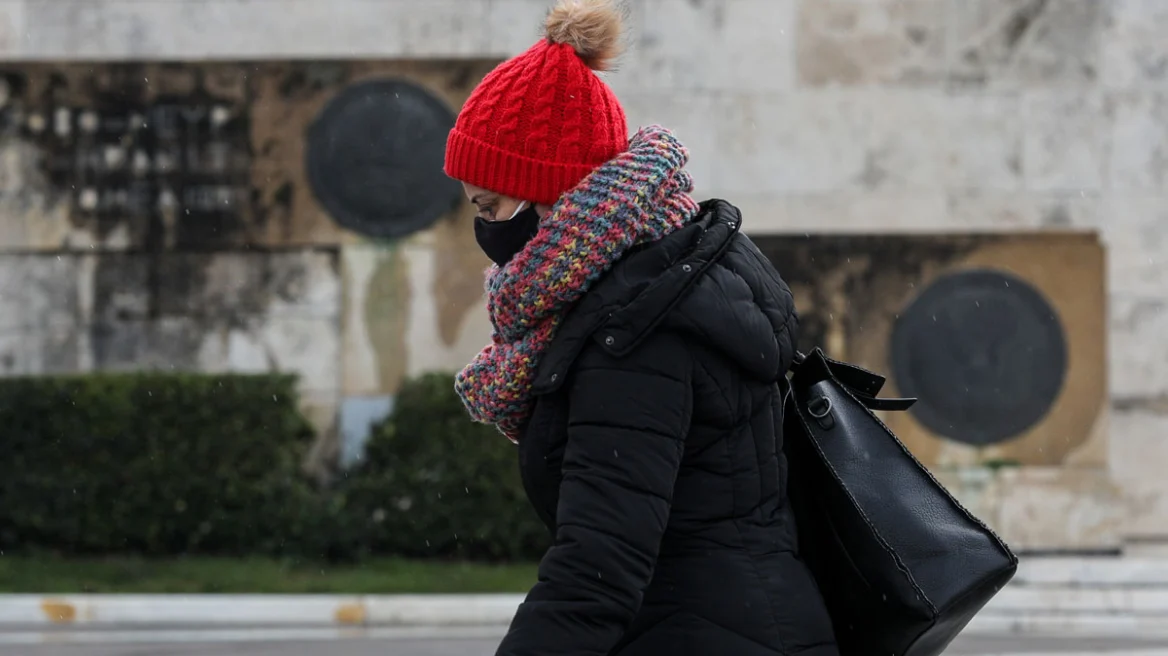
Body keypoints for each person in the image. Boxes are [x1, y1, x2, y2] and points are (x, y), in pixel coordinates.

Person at [445, 1, 839, 654]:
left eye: (490, 205)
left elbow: (597, 569)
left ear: (553, 195)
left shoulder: (635, 330)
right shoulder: (674, 274)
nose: (485, 230)